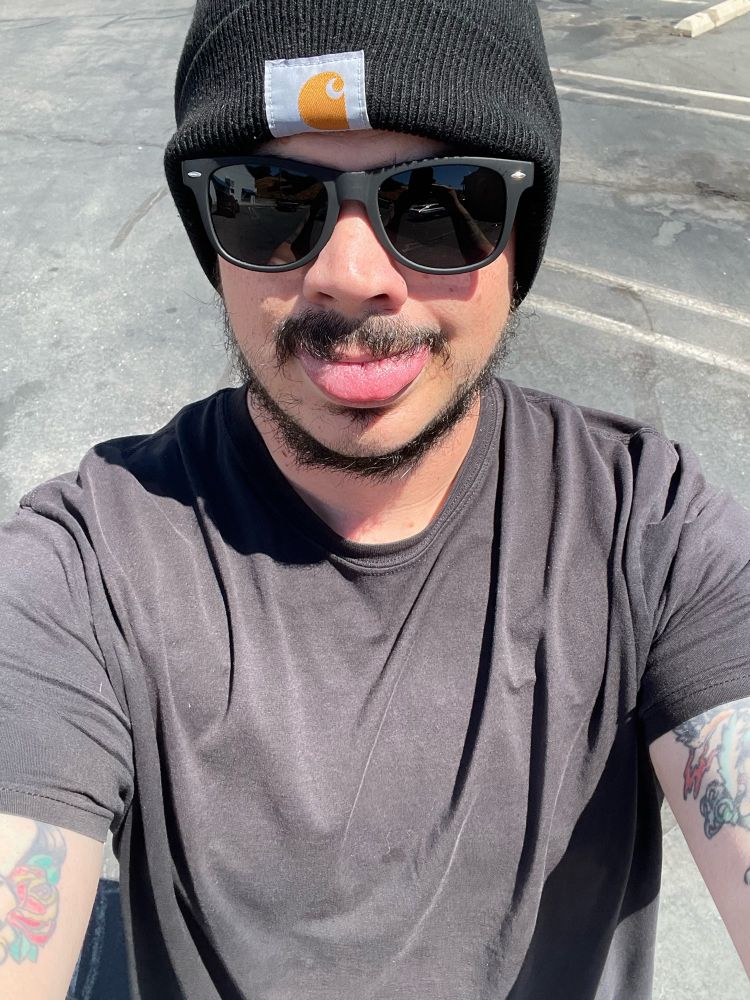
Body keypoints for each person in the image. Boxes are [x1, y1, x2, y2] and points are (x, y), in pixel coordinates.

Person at [0, 1, 748, 997]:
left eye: (440, 201)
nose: (351, 278)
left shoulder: (647, 532)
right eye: (268, 201)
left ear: (521, 236)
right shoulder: (85, 569)